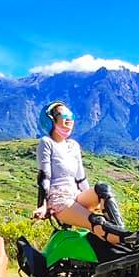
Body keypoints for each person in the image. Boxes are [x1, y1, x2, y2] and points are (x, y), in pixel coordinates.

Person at [31, 101, 128, 243]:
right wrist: (42, 206)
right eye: (63, 115)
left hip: (76, 196)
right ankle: (122, 240)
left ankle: (123, 234)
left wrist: (93, 199)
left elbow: (81, 178)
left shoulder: (73, 145)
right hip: (60, 200)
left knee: (103, 189)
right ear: (51, 119)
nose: (69, 118)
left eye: (71, 115)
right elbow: (45, 176)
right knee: (96, 221)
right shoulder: (47, 142)